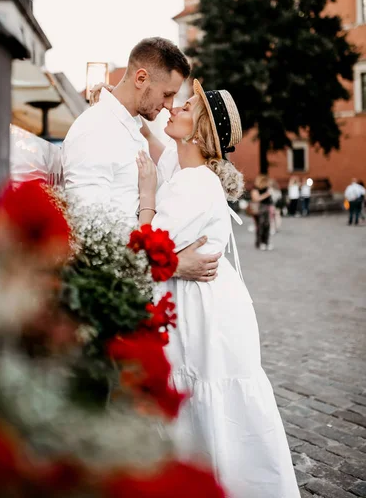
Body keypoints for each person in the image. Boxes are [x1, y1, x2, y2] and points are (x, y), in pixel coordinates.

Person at [136, 79, 300, 498]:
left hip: (201, 314)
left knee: (206, 404)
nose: (173, 109)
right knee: (208, 406)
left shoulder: (194, 183)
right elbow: (158, 147)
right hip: (204, 302)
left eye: (185, 108)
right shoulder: (190, 172)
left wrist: (147, 196)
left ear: (200, 131)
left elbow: (148, 248)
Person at [62, 37, 221, 282]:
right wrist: (172, 267)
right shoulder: (96, 130)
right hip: (113, 289)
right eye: (167, 94)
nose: (169, 106)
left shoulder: (131, 128)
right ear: (141, 79)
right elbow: (89, 234)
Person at [250, 175, 273, 250]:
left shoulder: (267, 188)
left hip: (267, 208)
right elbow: (256, 199)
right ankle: (259, 243)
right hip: (259, 209)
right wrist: (267, 194)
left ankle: (266, 242)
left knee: (267, 226)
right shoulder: (255, 189)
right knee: (260, 226)